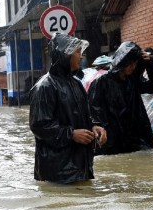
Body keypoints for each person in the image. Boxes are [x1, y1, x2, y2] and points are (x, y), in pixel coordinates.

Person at [29, 33, 107, 184]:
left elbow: (84, 116)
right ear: (65, 55)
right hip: (57, 171)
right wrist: (70, 134)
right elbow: (39, 126)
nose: (81, 56)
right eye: (78, 52)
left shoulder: (76, 84)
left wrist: (94, 127)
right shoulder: (45, 87)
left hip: (80, 166)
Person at [88, 41, 153, 155]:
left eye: (135, 63)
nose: (133, 67)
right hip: (112, 139)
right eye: (130, 63)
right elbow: (93, 110)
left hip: (133, 138)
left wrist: (151, 64)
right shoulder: (102, 82)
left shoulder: (133, 81)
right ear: (122, 61)